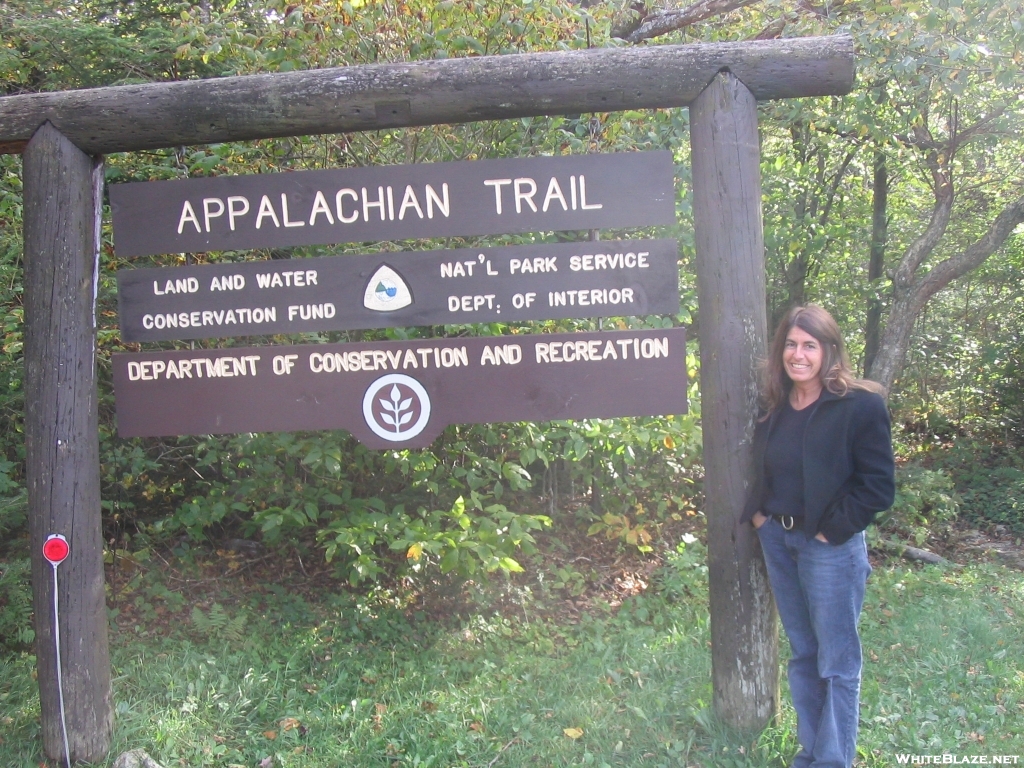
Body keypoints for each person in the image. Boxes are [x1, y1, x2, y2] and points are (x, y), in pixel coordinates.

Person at [741, 304, 895, 768]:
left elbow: (877, 486)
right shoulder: (775, 407)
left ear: (829, 350)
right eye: (791, 344)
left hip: (830, 550)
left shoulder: (861, 404)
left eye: (809, 345)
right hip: (779, 542)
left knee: (837, 662)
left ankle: (833, 760)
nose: (798, 354)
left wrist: (830, 533)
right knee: (804, 654)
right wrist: (759, 518)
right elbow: (764, 472)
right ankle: (810, 753)